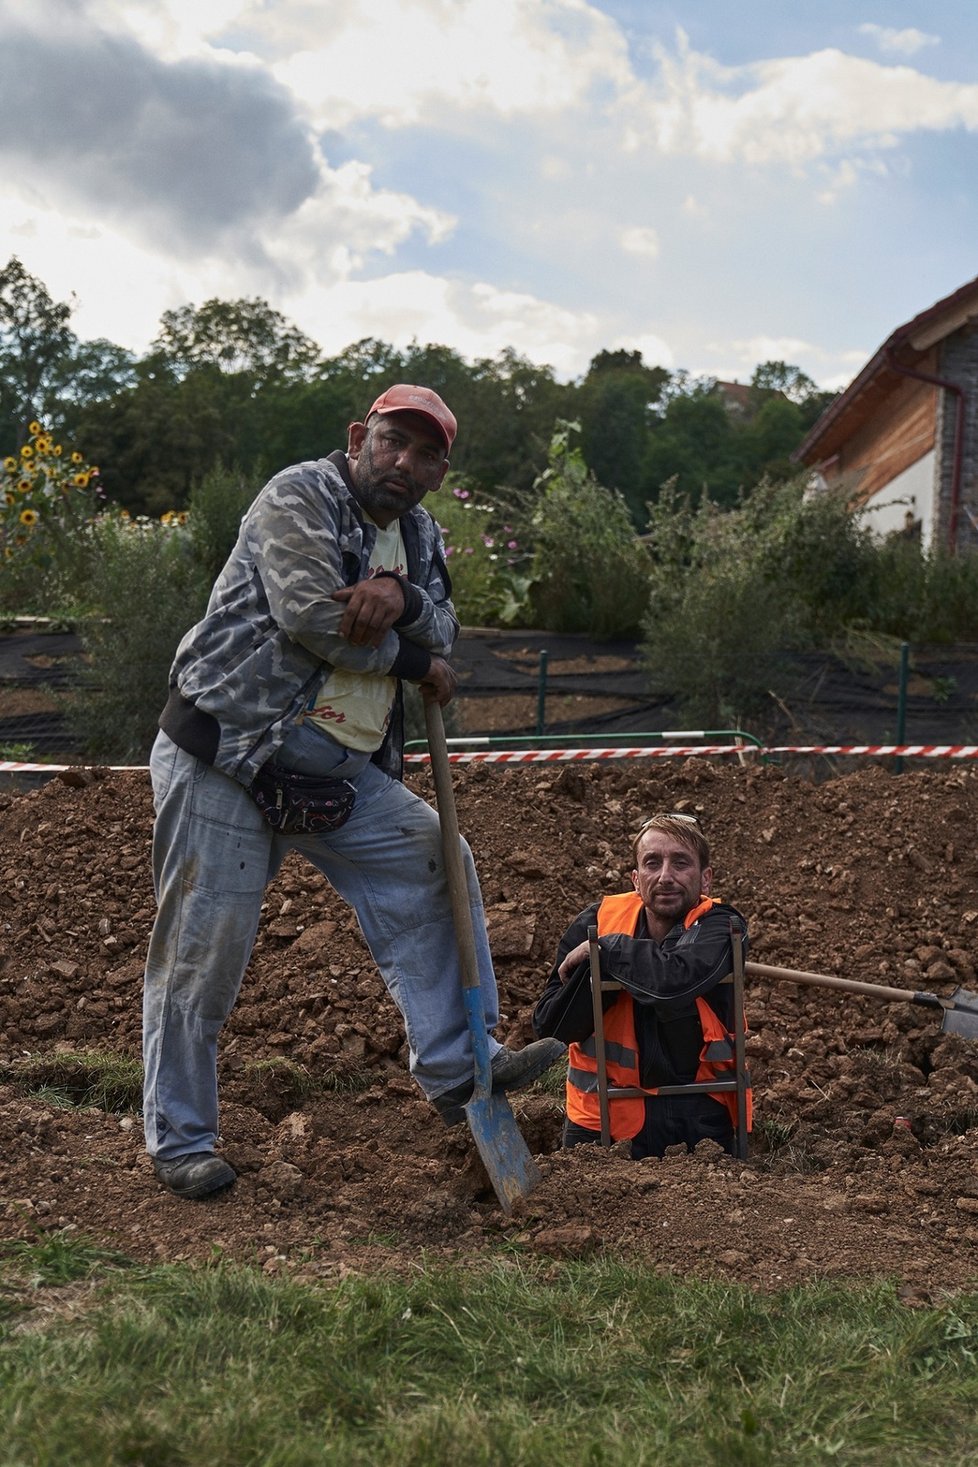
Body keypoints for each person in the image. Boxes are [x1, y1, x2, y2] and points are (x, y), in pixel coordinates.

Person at [143, 384, 564, 1199]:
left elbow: (445, 623)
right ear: (358, 437)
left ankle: (458, 1067)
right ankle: (180, 1139)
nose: (404, 462)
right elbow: (309, 614)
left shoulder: (420, 533)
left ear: (442, 471)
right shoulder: (299, 495)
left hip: (335, 773)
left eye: (426, 453)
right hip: (229, 754)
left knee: (439, 861)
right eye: (392, 442)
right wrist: (414, 662)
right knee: (204, 949)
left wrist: (403, 598)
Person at [532, 812, 749, 1159]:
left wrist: (608, 951)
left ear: (706, 879)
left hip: (697, 1119)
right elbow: (550, 1023)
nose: (665, 876)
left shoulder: (721, 926)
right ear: (635, 878)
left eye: (680, 863)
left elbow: (671, 983)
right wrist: (594, 977)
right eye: (652, 863)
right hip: (603, 1121)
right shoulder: (596, 921)